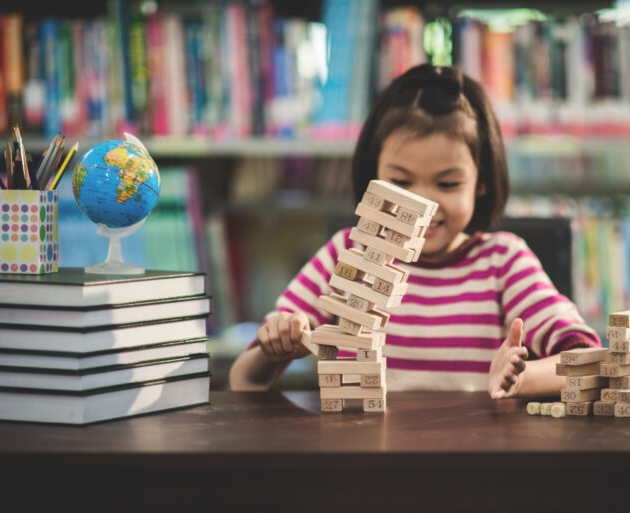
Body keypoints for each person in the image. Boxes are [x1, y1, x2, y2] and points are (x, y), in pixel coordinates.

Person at [229, 64, 600, 398]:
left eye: (448, 183)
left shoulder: (503, 262)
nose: (423, 206)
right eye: (400, 182)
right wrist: (274, 346)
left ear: (482, 182)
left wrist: (523, 378)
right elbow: (245, 379)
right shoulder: (346, 253)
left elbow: (591, 362)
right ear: (373, 175)